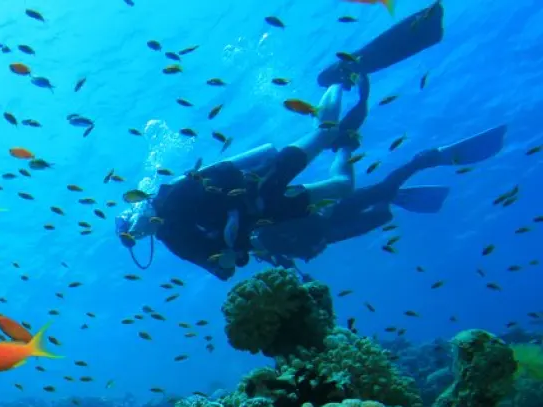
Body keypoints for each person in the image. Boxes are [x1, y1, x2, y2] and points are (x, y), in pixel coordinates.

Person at [115, 0, 444, 279]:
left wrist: (232, 217)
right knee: (342, 187)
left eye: (134, 225)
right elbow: (224, 269)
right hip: (266, 213)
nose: (140, 230)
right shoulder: (174, 240)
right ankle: (346, 145)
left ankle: (338, 78)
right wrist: (231, 247)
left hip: (260, 182)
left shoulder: (170, 198)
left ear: (138, 212)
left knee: (323, 131)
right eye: (135, 236)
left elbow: (222, 176)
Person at [252, 125, 508, 267]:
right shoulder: (269, 252)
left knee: (380, 190)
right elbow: (287, 261)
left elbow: (292, 210)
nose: (254, 253)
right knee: (383, 215)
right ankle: (392, 195)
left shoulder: (262, 227)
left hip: (330, 214)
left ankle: (423, 160)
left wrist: (318, 209)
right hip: (332, 234)